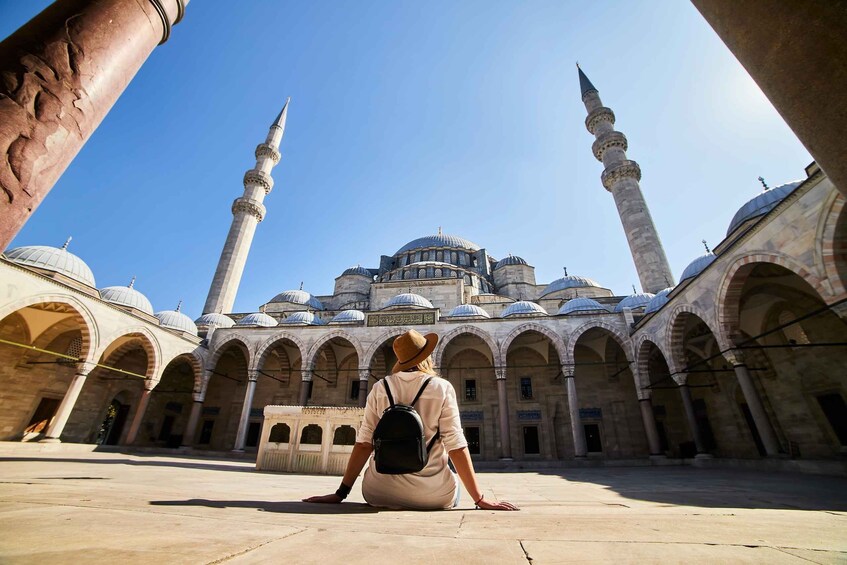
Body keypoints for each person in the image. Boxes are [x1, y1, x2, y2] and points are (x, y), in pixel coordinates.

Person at [303, 329, 517, 511]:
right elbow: (456, 446)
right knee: (453, 482)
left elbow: (363, 444)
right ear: (426, 357)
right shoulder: (441, 388)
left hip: (378, 492)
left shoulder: (379, 388)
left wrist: (340, 494)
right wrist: (480, 499)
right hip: (432, 494)